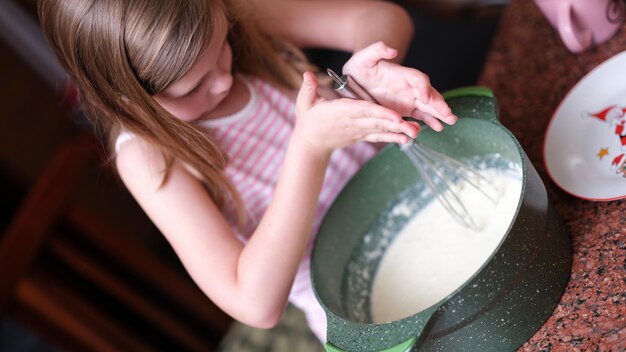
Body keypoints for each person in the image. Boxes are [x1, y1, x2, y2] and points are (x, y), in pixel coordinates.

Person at [38, 0, 457, 342]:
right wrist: (309, 148)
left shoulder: (233, 12)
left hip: (426, 202)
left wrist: (365, 76)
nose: (222, 80)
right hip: (371, 307)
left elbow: (381, 16)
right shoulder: (145, 157)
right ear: (126, 99)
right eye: (192, 87)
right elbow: (255, 303)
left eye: (221, 46)